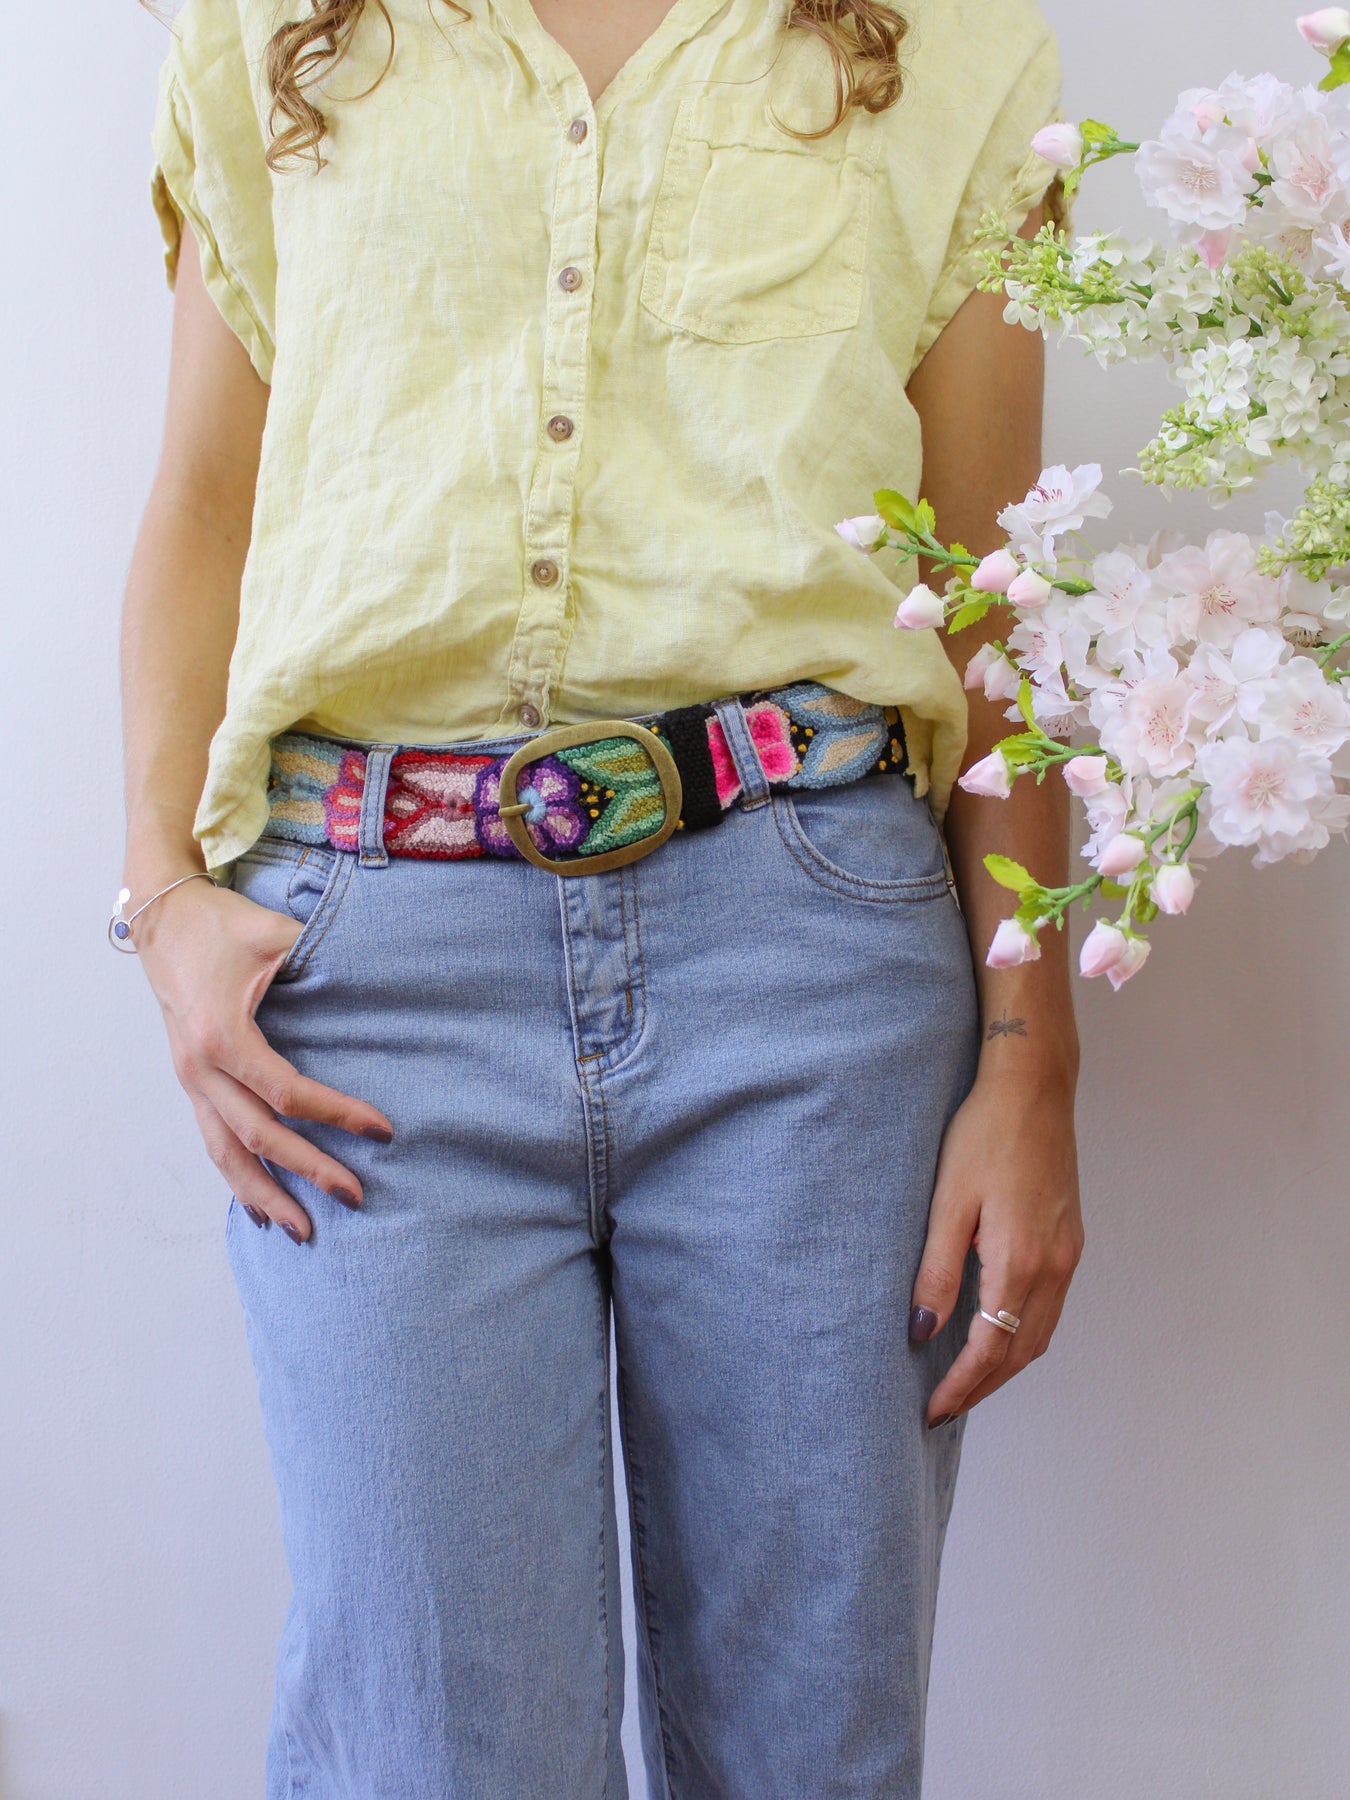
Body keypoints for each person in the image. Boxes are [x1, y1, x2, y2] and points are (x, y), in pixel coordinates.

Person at [119, 0, 1083, 1791]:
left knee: (811, 1744)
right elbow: (201, 504)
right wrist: (161, 893)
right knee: (433, 1748)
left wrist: (1032, 1059)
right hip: (369, 980)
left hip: (813, 964)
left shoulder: (949, 39)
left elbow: (988, 583)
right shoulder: (272, 28)